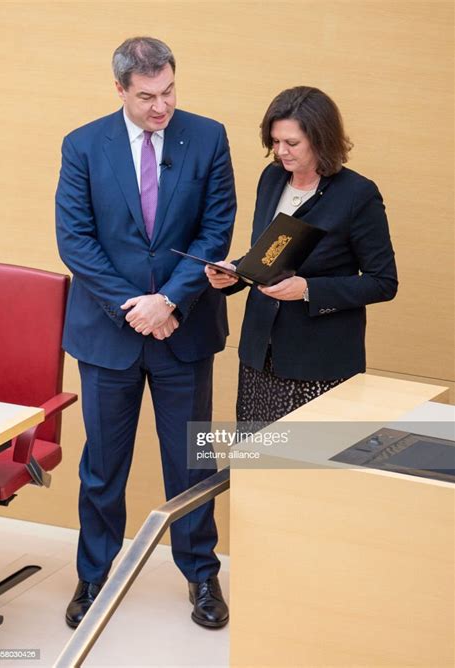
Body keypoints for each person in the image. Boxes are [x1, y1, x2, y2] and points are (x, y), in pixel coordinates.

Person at [56, 36, 236, 629]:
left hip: (183, 329)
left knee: (193, 462)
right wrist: (136, 307)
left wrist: (169, 301)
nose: (162, 107)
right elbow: (75, 241)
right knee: (104, 464)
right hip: (110, 334)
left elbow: (216, 229)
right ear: (120, 90)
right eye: (147, 96)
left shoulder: (207, 136)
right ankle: (93, 578)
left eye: (169, 92)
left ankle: (202, 576)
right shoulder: (83, 145)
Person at [206, 86, 397, 424]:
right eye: (275, 142)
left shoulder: (357, 195)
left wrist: (307, 290)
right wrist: (233, 273)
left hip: (318, 362)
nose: (281, 152)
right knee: (256, 466)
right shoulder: (272, 178)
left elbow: (383, 283)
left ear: (320, 139)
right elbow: (266, 255)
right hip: (258, 355)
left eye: (291, 143)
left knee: (303, 470)